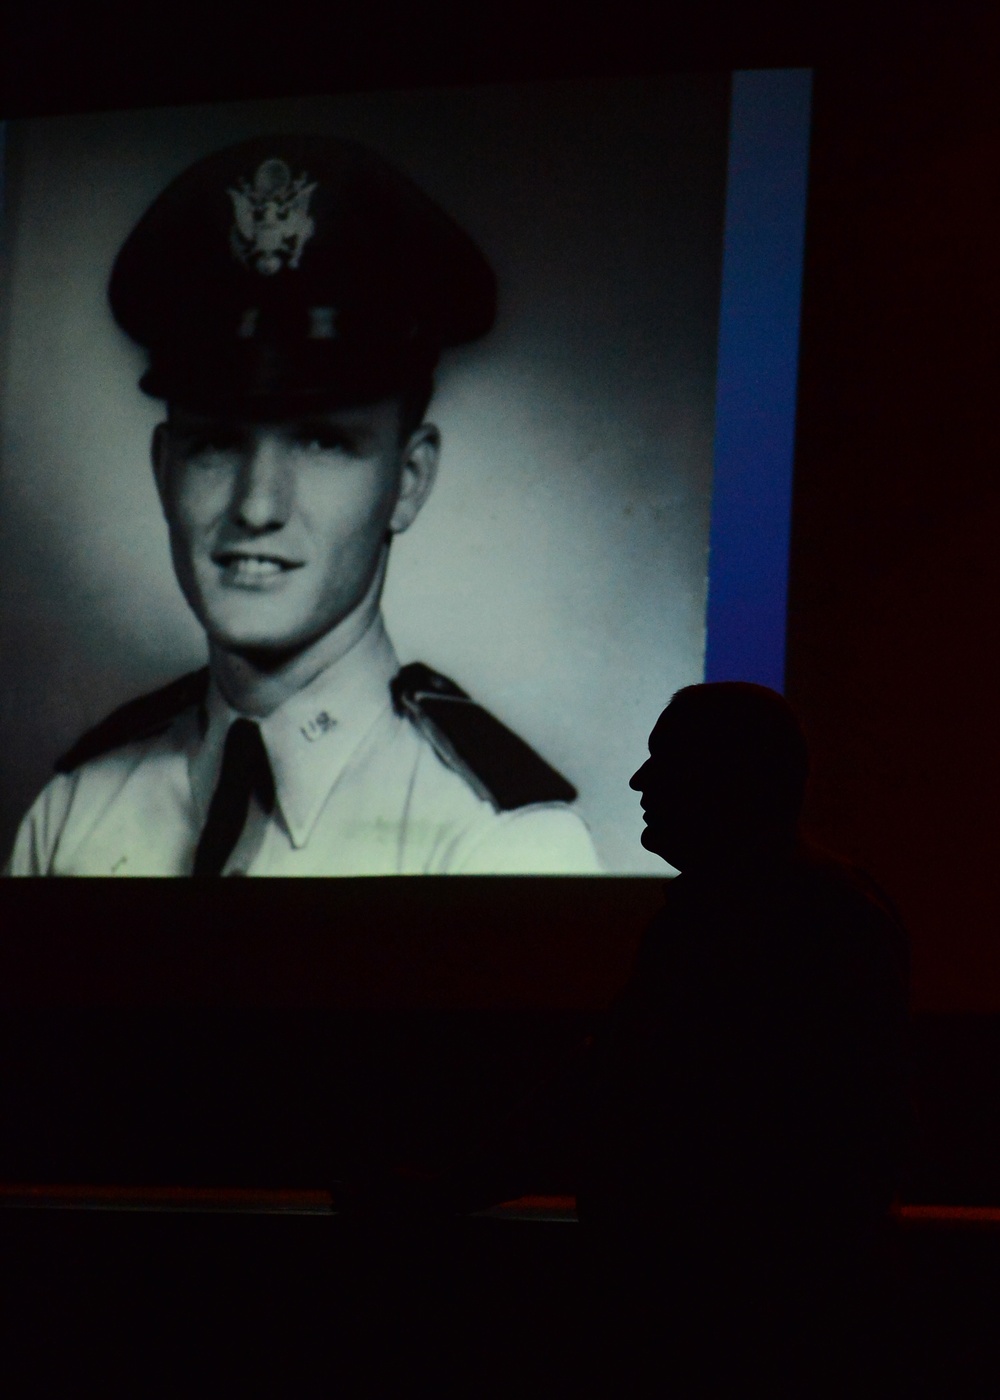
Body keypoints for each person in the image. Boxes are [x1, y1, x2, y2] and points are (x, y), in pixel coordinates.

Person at [5, 136, 600, 877]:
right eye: (216, 442)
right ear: (163, 470)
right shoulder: (72, 816)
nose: (256, 507)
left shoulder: (499, 847)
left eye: (322, 443)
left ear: (409, 481)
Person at [577, 682, 914, 1395]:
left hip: (727, 1321)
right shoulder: (824, 906)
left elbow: (624, 1085)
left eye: (664, 759)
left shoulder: (765, 918)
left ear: (727, 780)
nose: (639, 780)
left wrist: (456, 1188)